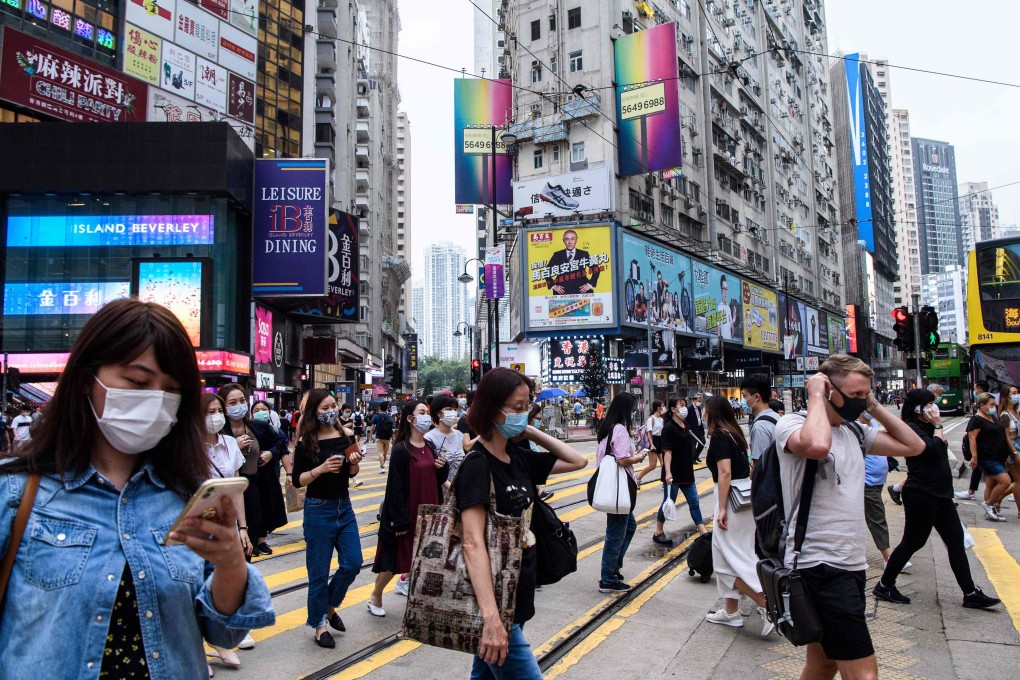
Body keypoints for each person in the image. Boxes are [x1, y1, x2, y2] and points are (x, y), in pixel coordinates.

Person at [0, 299, 274, 678]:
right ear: (86, 379)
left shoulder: (187, 493)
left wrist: (230, 564)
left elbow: (224, 633)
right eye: (138, 382)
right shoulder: (16, 492)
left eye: (171, 389)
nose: (156, 399)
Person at [775, 355, 925, 680]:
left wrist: (873, 406)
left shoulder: (855, 431)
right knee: (864, 674)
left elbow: (914, 446)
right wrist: (816, 395)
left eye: (866, 393)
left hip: (851, 563)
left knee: (823, 664)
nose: (861, 400)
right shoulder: (791, 425)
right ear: (829, 390)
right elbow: (817, 446)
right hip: (820, 565)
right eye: (855, 394)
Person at [455, 369, 587, 678]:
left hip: (519, 592)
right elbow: (472, 542)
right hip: (495, 602)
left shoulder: (517, 456)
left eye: (527, 405)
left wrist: (528, 431)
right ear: (492, 409)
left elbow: (577, 461)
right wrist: (490, 618)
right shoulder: (478, 464)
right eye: (516, 407)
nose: (524, 413)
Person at [874, 389, 1001, 610]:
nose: (934, 408)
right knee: (914, 541)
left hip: (940, 494)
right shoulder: (911, 428)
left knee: (955, 541)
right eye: (929, 404)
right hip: (921, 493)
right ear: (918, 408)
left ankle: (970, 593)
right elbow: (931, 450)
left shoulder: (927, 426)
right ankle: (885, 584)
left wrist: (936, 427)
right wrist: (938, 426)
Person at [290, 388, 363, 647]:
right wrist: (320, 469)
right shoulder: (306, 441)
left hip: (344, 507)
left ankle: (330, 604)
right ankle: (319, 624)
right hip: (318, 509)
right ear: (314, 412)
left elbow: (352, 473)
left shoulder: (346, 435)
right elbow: (297, 480)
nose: (331, 411)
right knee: (318, 572)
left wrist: (354, 461)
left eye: (333, 406)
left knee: (353, 562)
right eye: (325, 408)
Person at [702, 396, 773, 636]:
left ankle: (766, 603)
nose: (702, 413)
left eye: (705, 410)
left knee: (725, 563)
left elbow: (725, 473)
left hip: (731, 501)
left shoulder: (719, 436)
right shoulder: (735, 433)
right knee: (733, 555)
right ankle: (731, 611)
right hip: (743, 499)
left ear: (713, 413)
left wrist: (721, 508)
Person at [370, 400, 449, 615]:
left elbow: (437, 477)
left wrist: (443, 467)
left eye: (427, 412)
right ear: (410, 418)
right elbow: (394, 488)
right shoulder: (401, 450)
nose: (426, 416)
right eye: (421, 412)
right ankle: (376, 595)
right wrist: (399, 520)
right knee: (395, 560)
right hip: (408, 512)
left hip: (429, 511)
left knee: (425, 558)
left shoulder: (430, 446)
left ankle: (420, 600)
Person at [201, 392, 255, 669]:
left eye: (218, 411)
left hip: (226, 526)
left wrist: (242, 527)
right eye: (209, 412)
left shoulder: (230, 444)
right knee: (198, 586)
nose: (216, 417)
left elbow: (236, 490)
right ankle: (205, 648)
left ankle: (223, 635)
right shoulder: (188, 447)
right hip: (197, 526)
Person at [219, 384, 288, 558]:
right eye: (232, 402)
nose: (239, 406)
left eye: (242, 400)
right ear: (224, 407)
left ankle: (257, 544)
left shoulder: (258, 427)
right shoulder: (218, 432)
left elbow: (281, 443)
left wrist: (270, 453)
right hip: (227, 490)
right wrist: (234, 447)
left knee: (251, 535)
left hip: (255, 486)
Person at [596, 393, 647, 592]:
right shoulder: (619, 429)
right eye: (632, 409)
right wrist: (638, 458)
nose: (634, 412)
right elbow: (623, 460)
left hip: (612, 486)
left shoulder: (607, 428)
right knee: (616, 533)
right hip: (618, 488)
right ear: (625, 410)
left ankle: (613, 567)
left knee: (629, 526)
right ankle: (608, 578)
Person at [653, 397, 706, 544]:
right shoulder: (669, 428)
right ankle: (658, 531)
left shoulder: (685, 424)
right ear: (673, 409)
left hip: (687, 471)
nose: (684, 408)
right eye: (681, 405)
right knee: (668, 501)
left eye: (684, 405)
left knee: (694, 501)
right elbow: (667, 452)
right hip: (673, 472)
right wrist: (668, 472)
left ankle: (703, 532)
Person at [250, 399, 293, 553]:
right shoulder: (246, 428)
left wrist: (289, 473)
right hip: (250, 476)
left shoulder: (275, 430)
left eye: (263, 409)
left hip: (270, 475)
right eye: (256, 410)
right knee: (252, 507)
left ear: (269, 412)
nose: (260, 412)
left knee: (267, 506)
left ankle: (261, 541)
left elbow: (283, 450)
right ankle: (252, 541)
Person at [966, 392, 1014, 521]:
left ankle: (990, 511)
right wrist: (974, 457)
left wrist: (1006, 452)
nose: (994, 407)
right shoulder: (976, 419)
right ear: (982, 405)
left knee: (991, 484)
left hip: (998, 456)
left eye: (994, 404)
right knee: (1006, 481)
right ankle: (988, 504)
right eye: (991, 404)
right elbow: (972, 439)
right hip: (986, 457)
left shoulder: (992, 417)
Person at [424, 394, 466, 492]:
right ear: (438, 413)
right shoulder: (429, 438)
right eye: (449, 409)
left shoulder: (459, 435)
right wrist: (453, 490)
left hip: (461, 490)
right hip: (441, 492)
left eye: (454, 409)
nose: (453, 413)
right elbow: (433, 470)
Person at [741, 375, 779, 475]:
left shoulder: (760, 426)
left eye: (744, 396)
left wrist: (752, 474)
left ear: (756, 397)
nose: (743, 401)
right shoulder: (776, 416)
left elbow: (759, 468)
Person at [544, 229, 601, 295]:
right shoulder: (557, 255)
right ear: (563, 241)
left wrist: (589, 284)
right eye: (567, 239)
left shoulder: (583, 254)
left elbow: (596, 269)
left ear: (576, 239)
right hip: (562, 292)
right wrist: (553, 286)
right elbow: (546, 272)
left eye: (573, 239)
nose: (570, 242)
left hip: (582, 291)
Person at [998, 385, 1020, 515]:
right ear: (1006, 396)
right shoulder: (1005, 415)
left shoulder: (1017, 412)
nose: (1017, 395)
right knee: (1018, 480)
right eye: (1014, 393)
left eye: (1017, 392)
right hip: (1013, 449)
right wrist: (1014, 453)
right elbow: (1005, 437)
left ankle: (999, 497)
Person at [636, 401, 664, 485]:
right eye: (662, 406)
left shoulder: (661, 419)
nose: (664, 407)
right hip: (653, 441)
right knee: (652, 466)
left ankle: (665, 483)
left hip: (660, 441)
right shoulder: (651, 419)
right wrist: (651, 444)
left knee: (664, 464)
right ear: (658, 407)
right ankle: (638, 478)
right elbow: (649, 433)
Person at [338, 404, 365, 489]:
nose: (348, 413)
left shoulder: (350, 420)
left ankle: (354, 479)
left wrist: (355, 441)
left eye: (349, 412)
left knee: (351, 460)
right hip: (340, 443)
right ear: (342, 411)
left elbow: (353, 431)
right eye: (346, 411)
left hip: (349, 443)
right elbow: (336, 431)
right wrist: (344, 427)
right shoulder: (338, 420)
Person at [370, 403, 395, 472]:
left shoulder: (376, 417)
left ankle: (382, 467)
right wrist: (393, 438)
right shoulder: (390, 417)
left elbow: (372, 428)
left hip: (379, 437)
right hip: (387, 438)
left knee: (380, 453)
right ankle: (382, 466)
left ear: (379, 408)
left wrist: (371, 435)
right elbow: (393, 429)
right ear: (387, 409)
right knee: (385, 454)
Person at [686, 393, 707, 463]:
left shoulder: (699, 408)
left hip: (700, 428)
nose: (699, 402)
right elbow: (686, 420)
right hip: (692, 429)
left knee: (703, 442)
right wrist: (689, 428)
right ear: (694, 400)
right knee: (693, 445)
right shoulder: (689, 408)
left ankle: (696, 456)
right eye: (698, 401)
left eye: (700, 401)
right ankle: (693, 459)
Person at [716, 274, 734, 339]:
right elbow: (718, 324)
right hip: (724, 340)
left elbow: (731, 324)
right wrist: (719, 338)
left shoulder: (728, 308)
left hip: (730, 339)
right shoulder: (720, 306)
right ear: (721, 291)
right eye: (724, 289)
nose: (725, 292)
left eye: (726, 289)